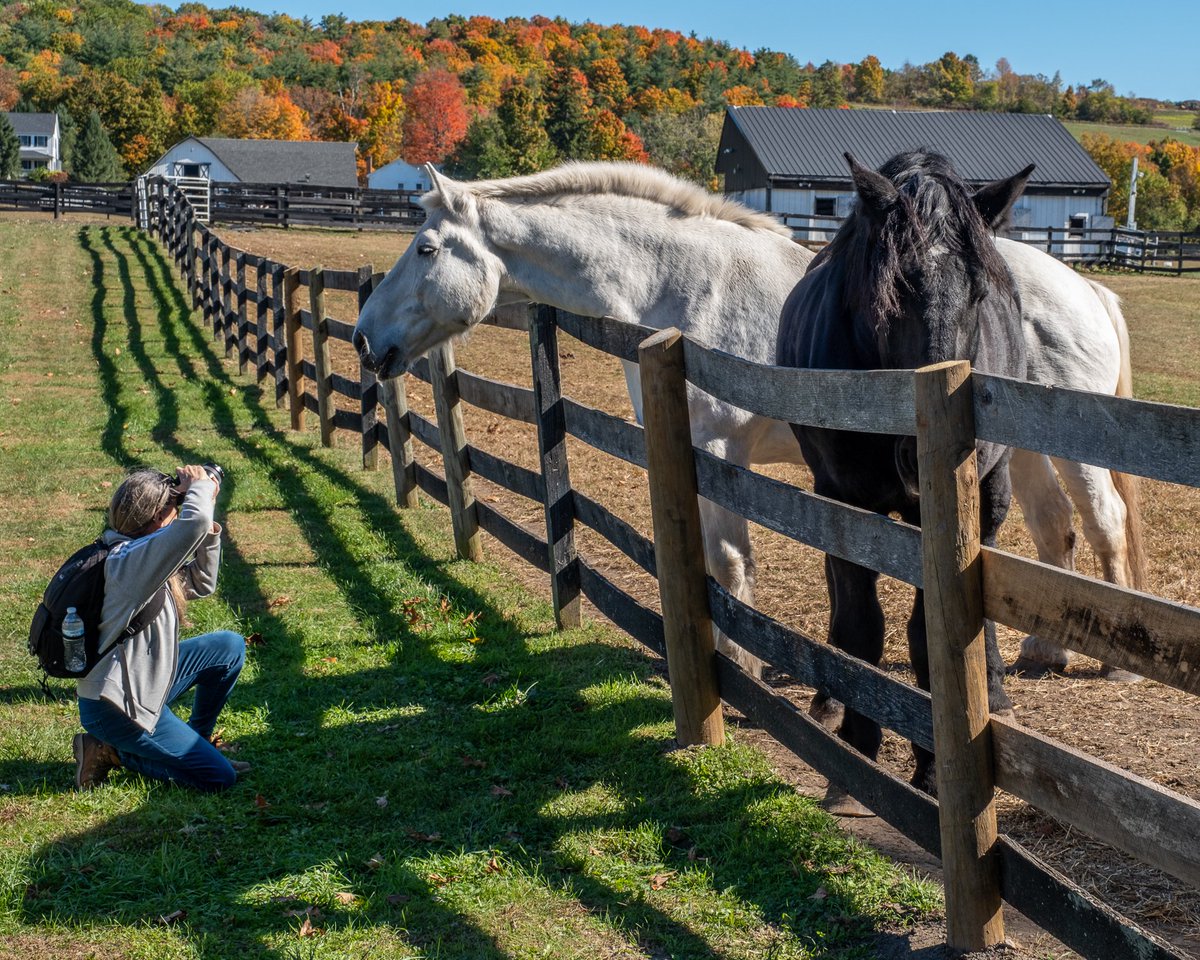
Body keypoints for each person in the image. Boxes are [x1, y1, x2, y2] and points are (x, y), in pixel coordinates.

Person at [72, 465, 247, 792]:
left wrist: (204, 515)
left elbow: (203, 583)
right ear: (154, 520)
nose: (177, 516)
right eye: (172, 510)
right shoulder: (128, 563)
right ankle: (109, 752)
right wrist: (199, 489)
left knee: (228, 647)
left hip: (142, 681)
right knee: (218, 779)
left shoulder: (141, 552)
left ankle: (199, 742)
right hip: (114, 707)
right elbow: (192, 523)